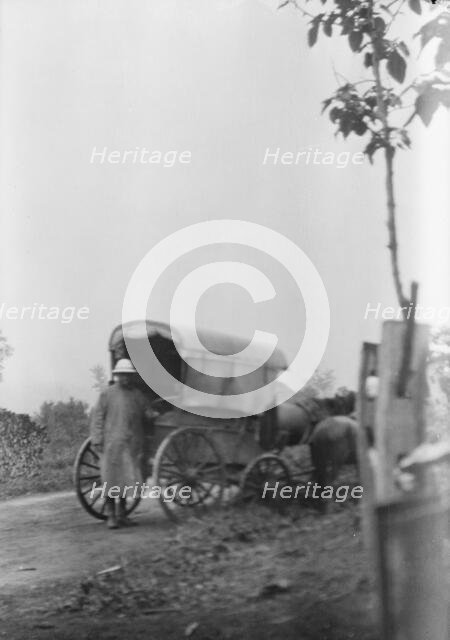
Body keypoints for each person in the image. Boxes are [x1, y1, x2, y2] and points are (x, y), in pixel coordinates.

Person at [90, 358, 157, 529]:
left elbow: (146, 412)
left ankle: (122, 514)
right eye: (122, 375)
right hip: (112, 444)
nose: (125, 378)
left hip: (132, 445)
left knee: (127, 480)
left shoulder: (137, 395)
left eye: (128, 375)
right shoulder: (107, 394)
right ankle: (111, 516)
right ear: (117, 375)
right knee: (111, 480)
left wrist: (153, 414)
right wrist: (97, 439)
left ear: (132, 376)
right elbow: (97, 418)